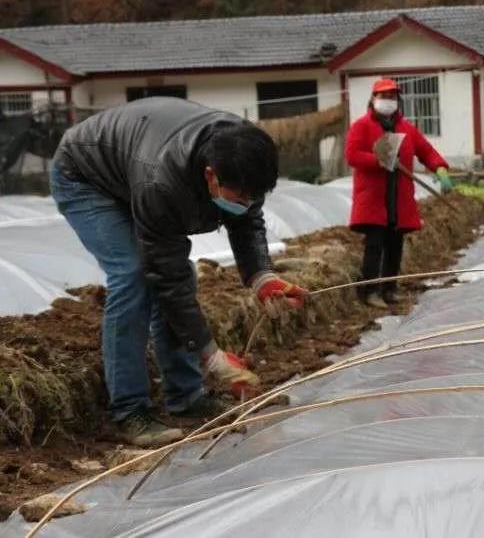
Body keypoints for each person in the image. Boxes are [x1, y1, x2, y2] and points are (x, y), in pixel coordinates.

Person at [51, 97, 308, 447]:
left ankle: (187, 398)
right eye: (241, 195)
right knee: (135, 276)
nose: (248, 202)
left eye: (255, 196)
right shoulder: (162, 181)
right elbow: (165, 275)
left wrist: (262, 277)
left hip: (133, 165)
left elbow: (247, 222)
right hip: (86, 177)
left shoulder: (245, 161)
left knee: (177, 276)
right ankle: (130, 411)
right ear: (209, 176)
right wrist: (212, 355)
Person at [345, 78, 453, 308]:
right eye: (383, 97)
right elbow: (353, 155)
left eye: (392, 97)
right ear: (373, 100)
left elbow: (426, 151)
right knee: (374, 245)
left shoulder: (406, 128)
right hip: (374, 198)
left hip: (398, 197)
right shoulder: (362, 126)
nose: (388, 101)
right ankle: (370, 291)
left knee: (395, 245)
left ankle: (390, 289)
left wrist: (439, 167)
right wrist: (379, 160)